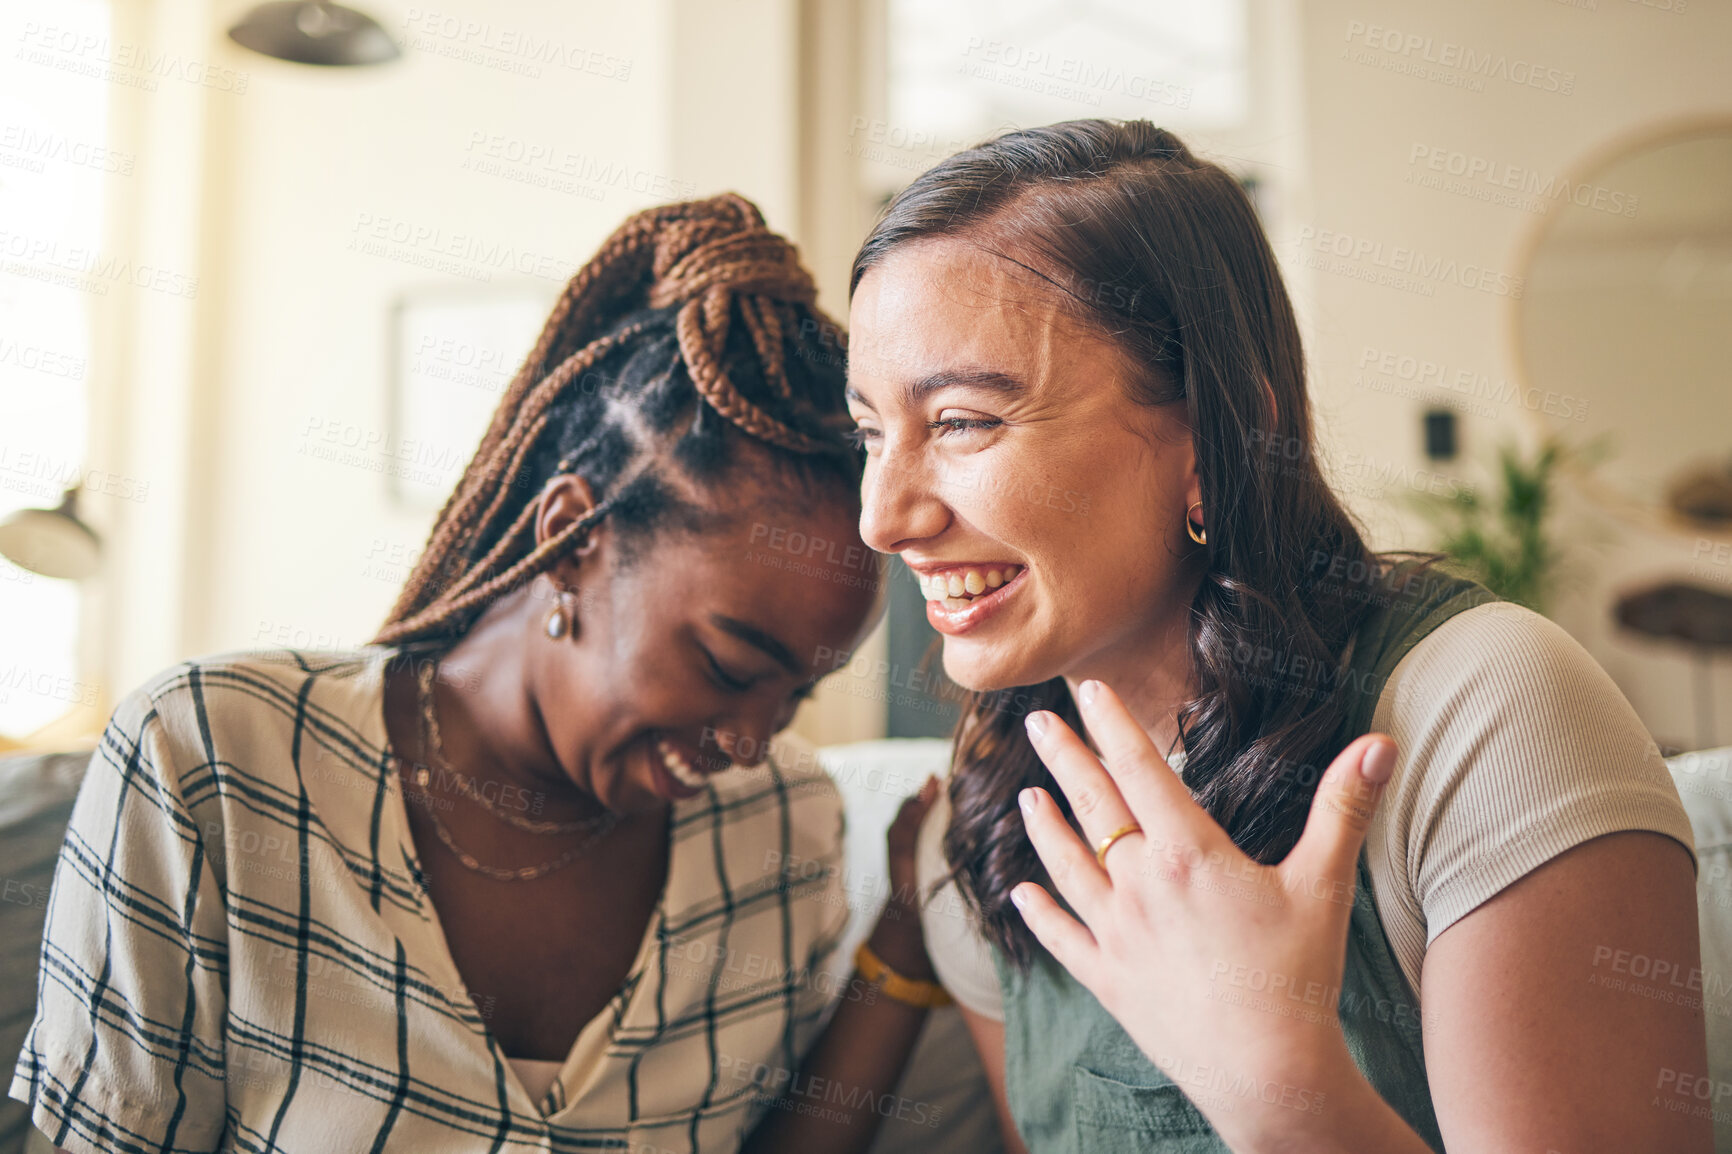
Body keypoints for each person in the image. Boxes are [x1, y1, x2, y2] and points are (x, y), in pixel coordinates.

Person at [12, 194, 951, 1154]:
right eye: (728, 665)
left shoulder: (784, 823)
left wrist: (907, 940)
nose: (752, 741)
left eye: (796, 694)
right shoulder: (212, 756)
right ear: (571, 538)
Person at [842, 120, 1711, 1152]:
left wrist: (1276, 1082)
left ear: (1213, 437)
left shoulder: (1484, 712)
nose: (882, 516)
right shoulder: (998, 811)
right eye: (868, 431)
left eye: (961, 422)